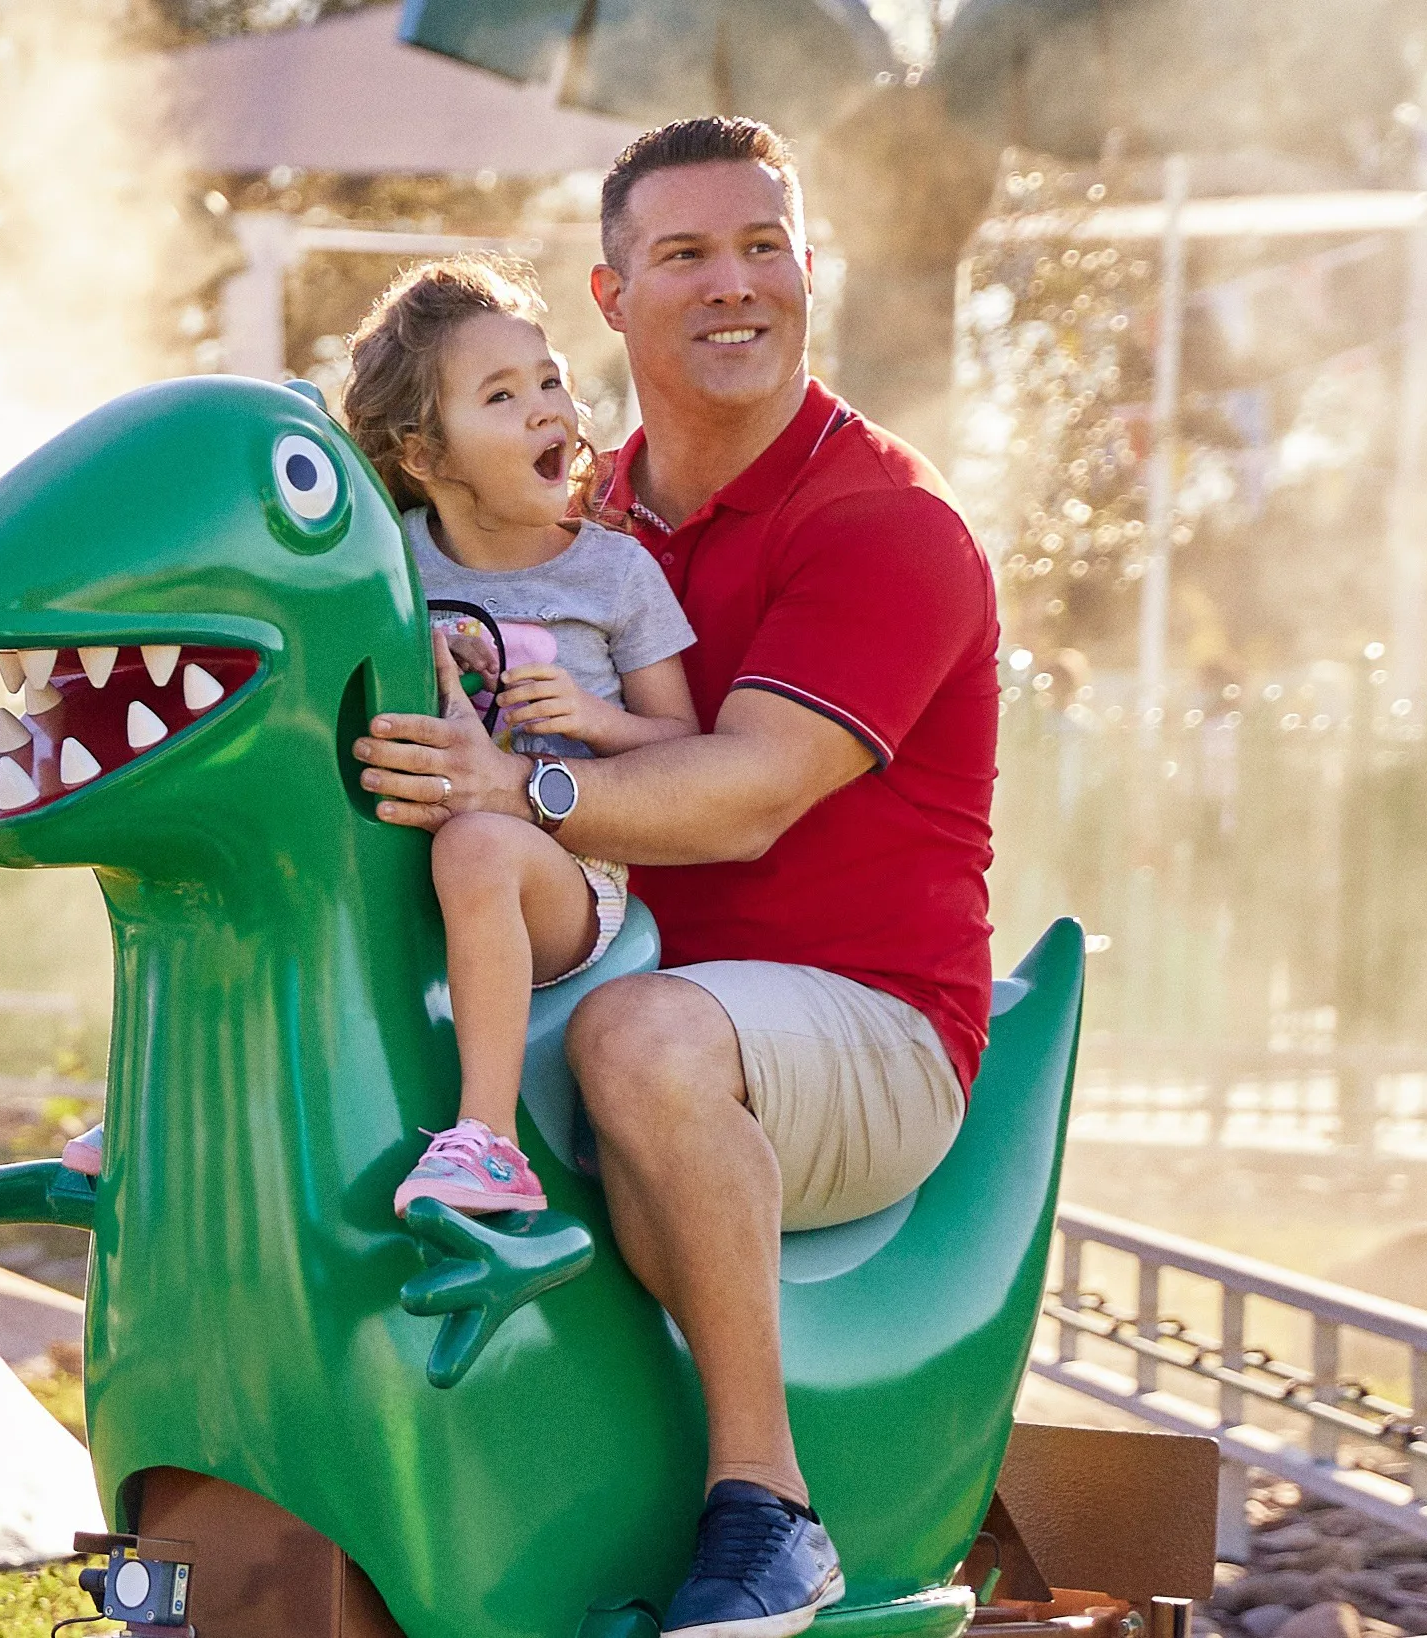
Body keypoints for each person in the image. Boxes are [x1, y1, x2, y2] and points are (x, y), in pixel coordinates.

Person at [348, 116, 1003, 1638]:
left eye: (764, 246)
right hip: (614, 969)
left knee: (629, 1040)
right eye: (686, 252)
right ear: (610, 292)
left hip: (862, 1024)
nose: (734, 284)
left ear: (807, 273)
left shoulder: (884, 525)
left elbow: (747, 797)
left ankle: (769, 1508)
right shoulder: (564, 512)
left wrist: (521, 786)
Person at [327, 257, 703, 1221]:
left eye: (549, 380)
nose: (548, 409)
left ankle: (489, 1143)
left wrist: (590, 718)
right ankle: (177, 1095)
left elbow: (686, 748)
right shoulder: (387, 566)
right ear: (423, 453)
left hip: (568, 888)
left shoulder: (614, 577)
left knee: (479, 843)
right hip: (413, 863)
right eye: (502, 396)